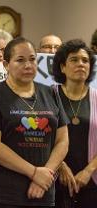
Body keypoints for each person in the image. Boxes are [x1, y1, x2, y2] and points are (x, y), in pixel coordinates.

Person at [0, 36, 69, 208]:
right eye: (20, 60)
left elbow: (63, 140)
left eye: (32, 59)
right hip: (2, 195)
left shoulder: (50, 93)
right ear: (6, 64)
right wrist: (34, 172)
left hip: (43, 191)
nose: (28, 65)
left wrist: (46, 175)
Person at [52, 39, 97, 208]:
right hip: (54, 182)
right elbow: (39, 138)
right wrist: (60, 165)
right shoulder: (48, 96)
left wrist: (88, 171)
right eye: (74, 59)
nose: (81, 64)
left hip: (91, 183)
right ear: (62, 67)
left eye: (85, 61)